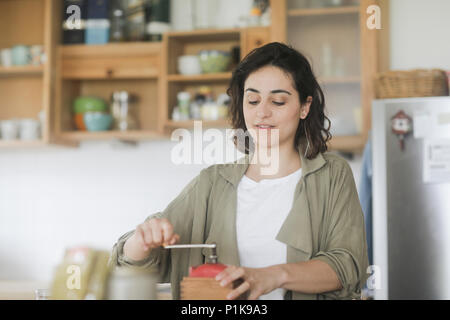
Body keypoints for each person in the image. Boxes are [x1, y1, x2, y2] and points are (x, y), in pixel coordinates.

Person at [109, 42, 369, 300]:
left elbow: (347, 266)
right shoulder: (212, 183)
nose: (262, 112)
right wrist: (142, 241)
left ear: (304, 107)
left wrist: (271, 276)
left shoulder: (332, 175)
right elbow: (131, 263)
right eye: (253, 100)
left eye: (278, 101)